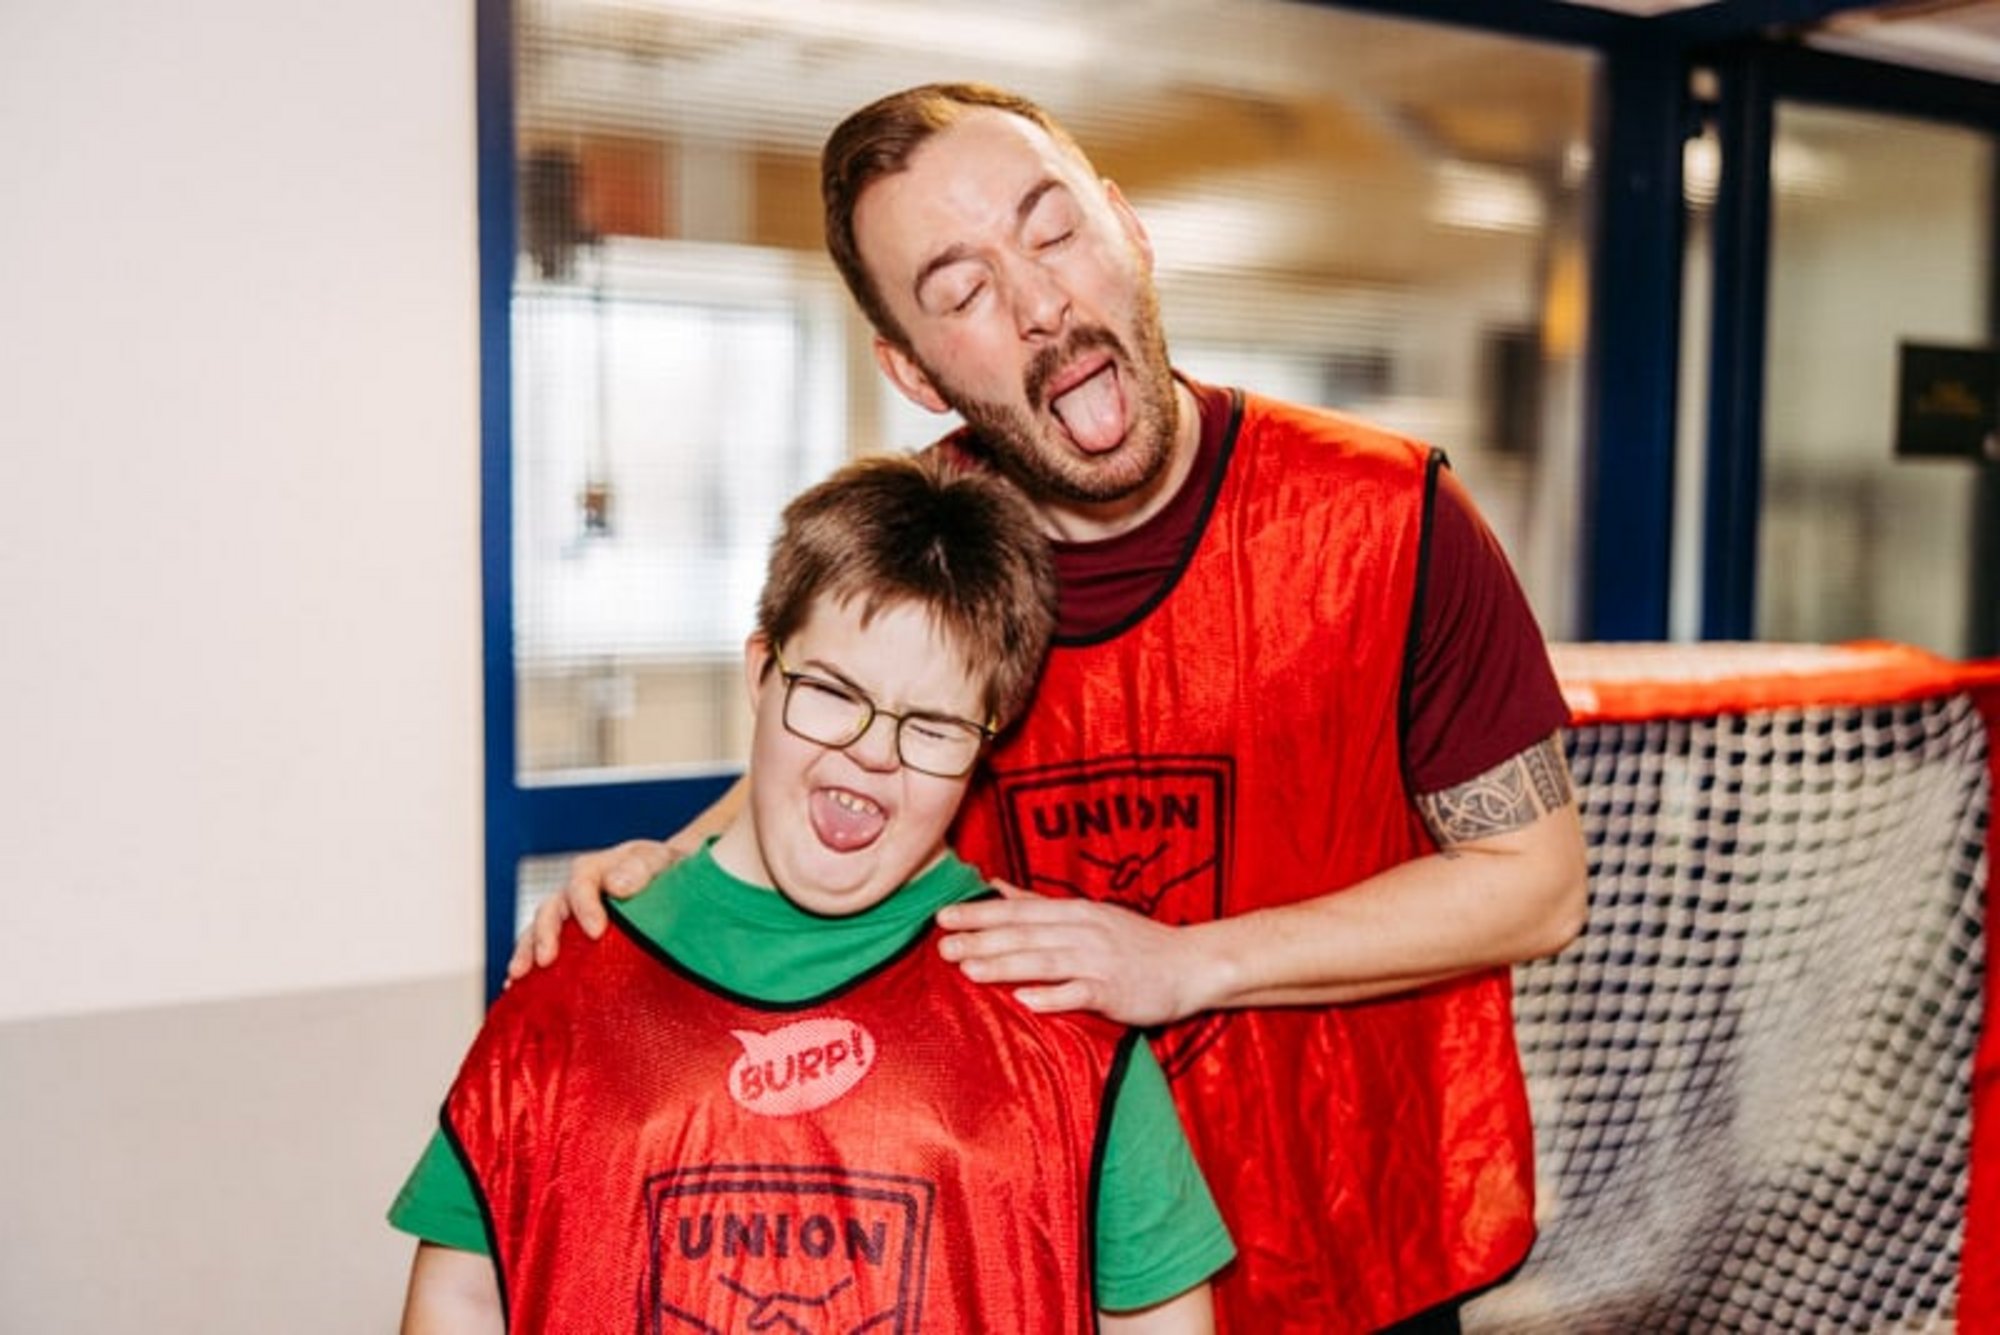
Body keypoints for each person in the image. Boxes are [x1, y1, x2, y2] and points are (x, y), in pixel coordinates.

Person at [516, 83, 1589, 1333]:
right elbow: (830, 758)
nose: (1038, 303)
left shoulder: (1388, 519)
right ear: (911, 370)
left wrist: (1185, 963)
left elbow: (1534, 883)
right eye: (960, 290)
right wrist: (669, 870)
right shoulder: (915, 551)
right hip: (1037, 1257)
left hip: (1352, 1247)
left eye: (1052, 231)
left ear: (1126, 228)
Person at [393, 452, 1233, 1333]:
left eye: (933, 724)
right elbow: (464, 1292)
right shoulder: (577, 976)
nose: (871, 750)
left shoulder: (1061, 1017)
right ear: (761, 673)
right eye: (833, 691)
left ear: (987, 742)